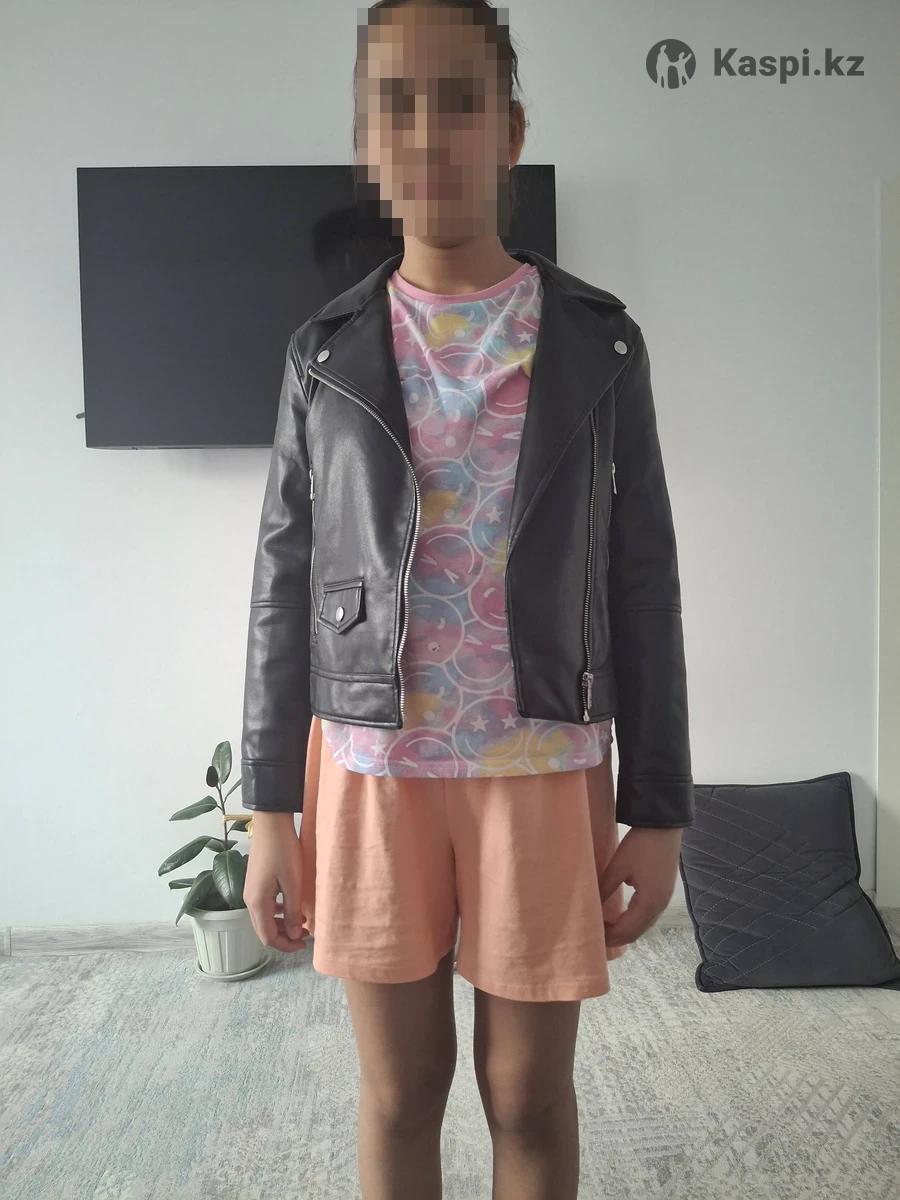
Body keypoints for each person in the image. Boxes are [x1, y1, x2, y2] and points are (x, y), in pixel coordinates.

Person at [242, 2, 693, 1197]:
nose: (428, 131)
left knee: (528, 1098)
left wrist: (659, 805)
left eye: (459, 100)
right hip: (374, 770)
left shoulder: (598, 342)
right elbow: (282, 585)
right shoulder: (324, 353)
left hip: (541, 765)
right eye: (396, 103)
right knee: (401, 1096)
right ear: (366, 139)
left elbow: (644, 577)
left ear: (512, 130)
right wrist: (268, 807)